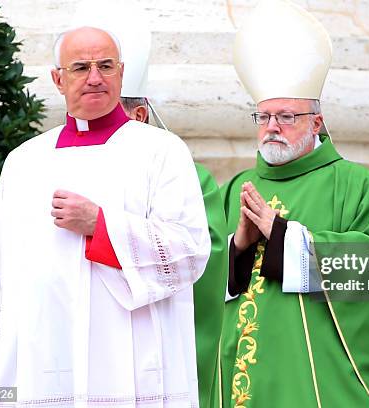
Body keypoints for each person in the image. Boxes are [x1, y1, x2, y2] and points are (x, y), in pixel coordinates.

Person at [0, 26, 210, 408]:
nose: (95, 78)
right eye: (81, 67)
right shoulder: (23, 162)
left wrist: (101, 225)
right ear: (58, 79)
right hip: (37, 367)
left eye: (106, 65)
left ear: (121, 72)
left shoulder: (162, 152)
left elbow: (189, 252)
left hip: (130, 365)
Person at [220, 1, 369, 407]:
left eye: (286, 116)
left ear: (316, 122)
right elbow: (203, 288)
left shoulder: (355, 185)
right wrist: (240, 248)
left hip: (317, 385)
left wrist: (283, 235)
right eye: (264, 117)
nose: (272, 128)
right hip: (246, 381)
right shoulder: (235, 188)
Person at [68, 4, 228, 406]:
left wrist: (102, 229)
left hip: (143, 346)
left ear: (138, 113)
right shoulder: (46, 161)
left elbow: (198, 256)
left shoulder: (176, 166)